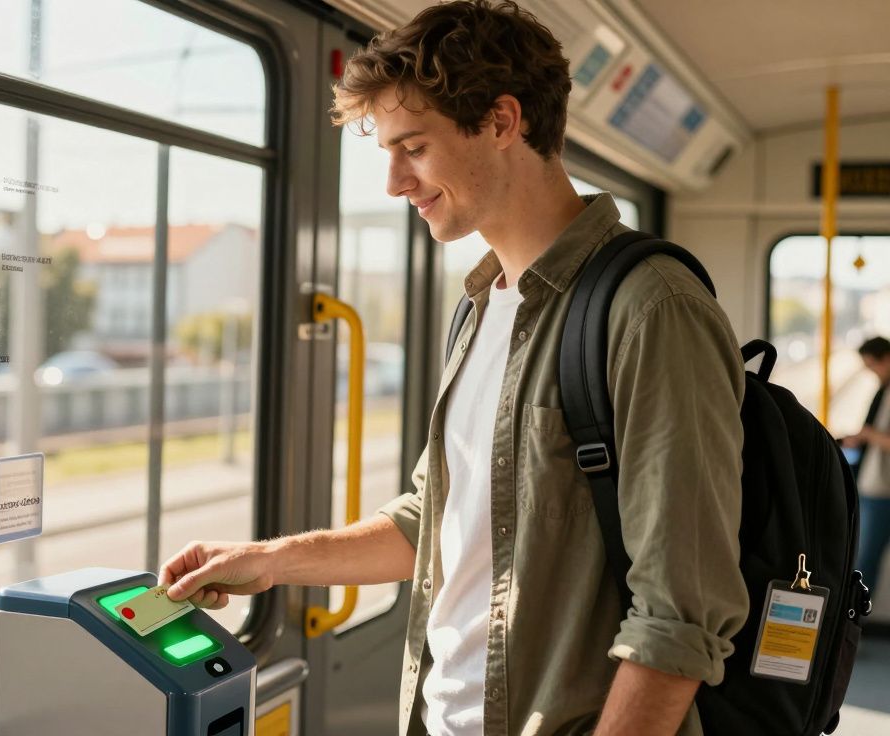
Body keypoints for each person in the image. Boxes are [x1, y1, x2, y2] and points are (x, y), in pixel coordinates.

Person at [160, 2, 749, 734]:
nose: (393, 182)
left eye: (413, 147)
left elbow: (680, 617)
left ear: (502, 121)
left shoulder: (651, 310)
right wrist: (272, 561)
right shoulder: (479, 307)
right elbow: (434, 520)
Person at [843, 336, 890, 593]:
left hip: (882, 492)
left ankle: (856, 620)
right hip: (873, 488)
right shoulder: (882, 390)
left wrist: (868, 435)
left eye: (874, 365)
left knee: (864, 564)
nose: (873, 373)